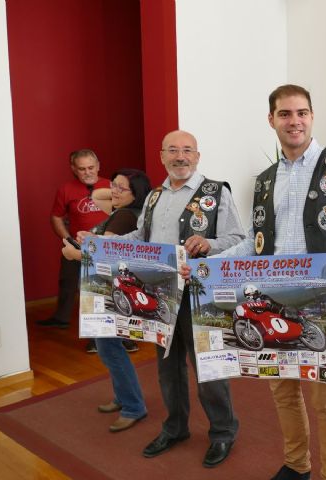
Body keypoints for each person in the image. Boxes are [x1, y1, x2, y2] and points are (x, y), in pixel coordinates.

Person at [222, 84, 326, 480]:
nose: (293, 121)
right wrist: (208, 264)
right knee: (282, 391)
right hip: (271, 296)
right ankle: (297, 465)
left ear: (312, 117)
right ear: (272, 120)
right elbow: (253, 241)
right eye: (285, 114)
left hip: (325, 298)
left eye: (301, 113)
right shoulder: (264, 181)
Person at [119, 130, 244, 468]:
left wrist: (209, 244)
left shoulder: (216, 192)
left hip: (199, 293)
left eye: (187, 150)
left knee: (208, 367)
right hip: (160, 292)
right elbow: (140, 236)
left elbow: (238, 238)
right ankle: (175, 428)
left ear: (198, 156)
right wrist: (103, 238)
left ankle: (222, 431)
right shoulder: (155, 196)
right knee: (167, 367)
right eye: (173, 150)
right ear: (161, 156)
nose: (180, 157)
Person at [63, 168, 152, 432]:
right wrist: (118, 189)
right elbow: (99, 194)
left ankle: (134, 406)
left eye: (121, 188)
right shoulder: (121, 210)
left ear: (136, 195)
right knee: (108, 348)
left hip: (113, 291)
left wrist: (73, 254)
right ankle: (124, 397)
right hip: (111, 290)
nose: (112, 190)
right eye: (113, 184)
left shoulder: (125, 216)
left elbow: (107, 257)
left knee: (110, 350)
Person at [38, 149, 110, 333]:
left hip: (105, 247)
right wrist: (67, 239)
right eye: (82, 168)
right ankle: (61, 318)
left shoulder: (112, 186)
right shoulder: (66, 189)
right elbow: (56, 217)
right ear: (74, 169)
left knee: (99, 288)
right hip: (76, 244)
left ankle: (101, 333)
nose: (87, 172)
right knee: (67, 281)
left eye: (91, 167)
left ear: (98, 166)